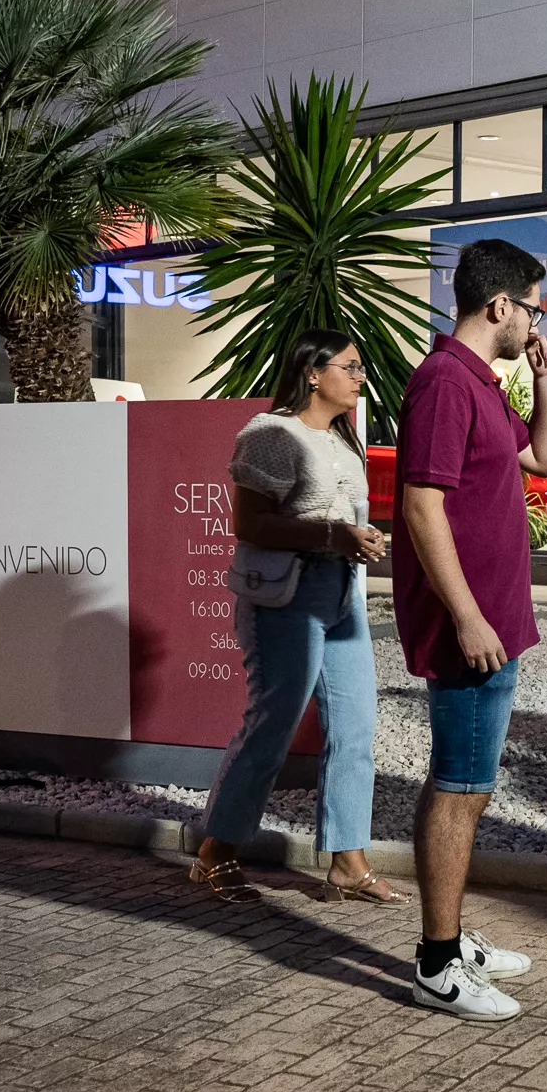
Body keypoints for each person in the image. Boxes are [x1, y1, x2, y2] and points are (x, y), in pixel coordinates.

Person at [390, 240, 547, 1021]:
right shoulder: (444, 384)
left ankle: (451, 940)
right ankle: (435, 962)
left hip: (494, 621)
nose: (536, 318)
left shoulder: (487, 384)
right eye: (532, 305)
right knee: (459, 787)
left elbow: (544, 457)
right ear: (499, 307)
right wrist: (465, 614)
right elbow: (421, 504)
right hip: (471, 627)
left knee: (471, 785)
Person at [186, 330, 394, 907]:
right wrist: (332, 534)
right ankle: (215, 853)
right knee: (273, 723)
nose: (360, 378)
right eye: (350, 368)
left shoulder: (347, 441)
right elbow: (249, 525)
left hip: (342, 595)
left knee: (355, 728)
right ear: (312, 372)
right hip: (285, 596)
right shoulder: (272, 434)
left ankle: (349, 863)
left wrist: (360, 539)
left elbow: (343, 518)